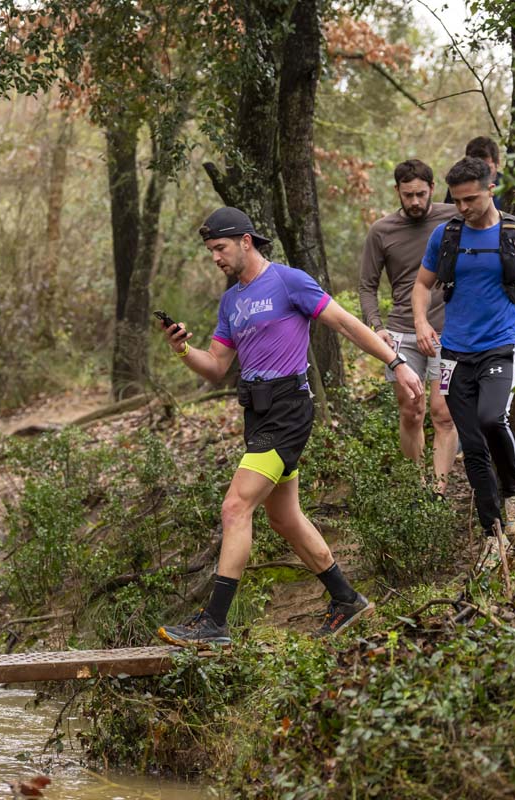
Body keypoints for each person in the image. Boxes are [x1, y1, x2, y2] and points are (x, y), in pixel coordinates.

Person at [156, 206, 426, 647]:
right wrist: (183, 350)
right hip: (257, 412)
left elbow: (346, 325)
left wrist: (397, 363)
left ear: (245, 241)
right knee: (283, 517)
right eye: (210, 251)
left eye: (220, 248)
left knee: (235, 508)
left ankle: (214, 623)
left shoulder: (288, 281)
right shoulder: (231, 302)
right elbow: (217, 367)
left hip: (288, 409)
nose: (215, 258)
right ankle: (346, 600)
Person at [413, 156, 515, 568]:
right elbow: (422, 285)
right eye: (456, 200)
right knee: (470, 445)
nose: (463, 207)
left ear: (491, 189)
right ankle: (492, 535)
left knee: (491, 419)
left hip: (500, 345)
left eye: (470, 199)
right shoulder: (446, 236)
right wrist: (421, 322)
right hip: (455, 352)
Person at [359, 159, 459, 494]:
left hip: (448, 332)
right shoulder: (382, 231)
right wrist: (376, 326)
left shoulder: (454, 217)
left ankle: (438, 493)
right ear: (397, 192)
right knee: (412, 412)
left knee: (443, 414)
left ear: (432, 188)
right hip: (402, 333)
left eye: (420, 194)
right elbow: (367, 285)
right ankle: (416, 490)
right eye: (407, 195)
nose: (415, 201)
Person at [444, 136, 506, 211]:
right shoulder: (458, 187)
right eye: (473, 169)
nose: (480, 175)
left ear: (497, 162)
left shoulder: (508, 187)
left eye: (487, 168)